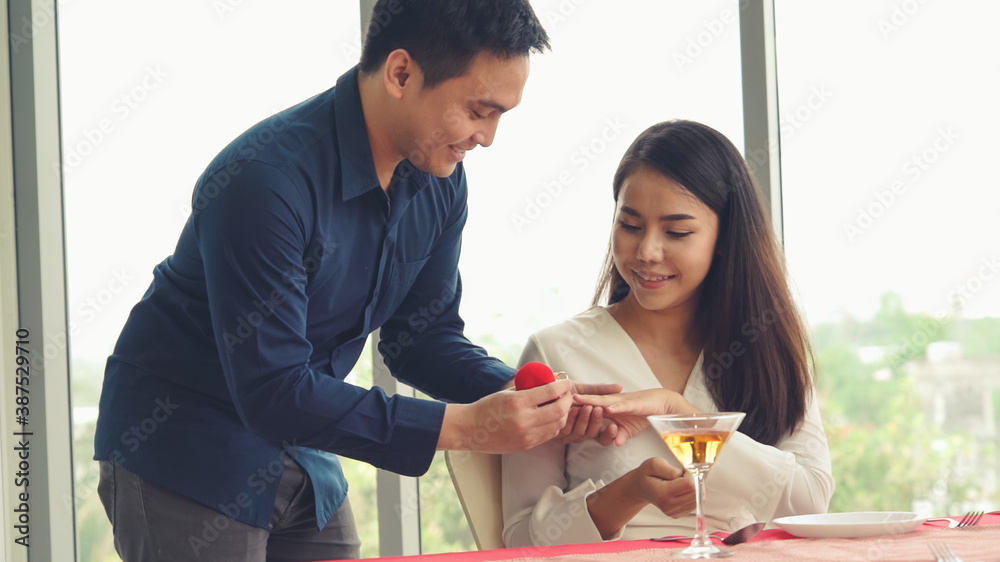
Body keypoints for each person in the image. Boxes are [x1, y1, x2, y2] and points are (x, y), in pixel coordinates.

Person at [93, 2, 617, 560]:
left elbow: (421, 340)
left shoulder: (440, 181)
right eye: (479, 110)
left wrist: (528, 396)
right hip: (188, 446)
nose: (487, 137)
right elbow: (272, 391)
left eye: (501, 115)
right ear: (401, 73)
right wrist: (466, 426)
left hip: (306, 445)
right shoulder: (264, 182)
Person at [501, 120, 835, 547]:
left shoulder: (765, 346)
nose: (646, 252)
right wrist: (626, 494)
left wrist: (679, 412)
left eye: (677, 232)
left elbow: (810, 505)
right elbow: (519, 541)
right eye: (631, 225)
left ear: (725, 238)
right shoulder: (558, 352)